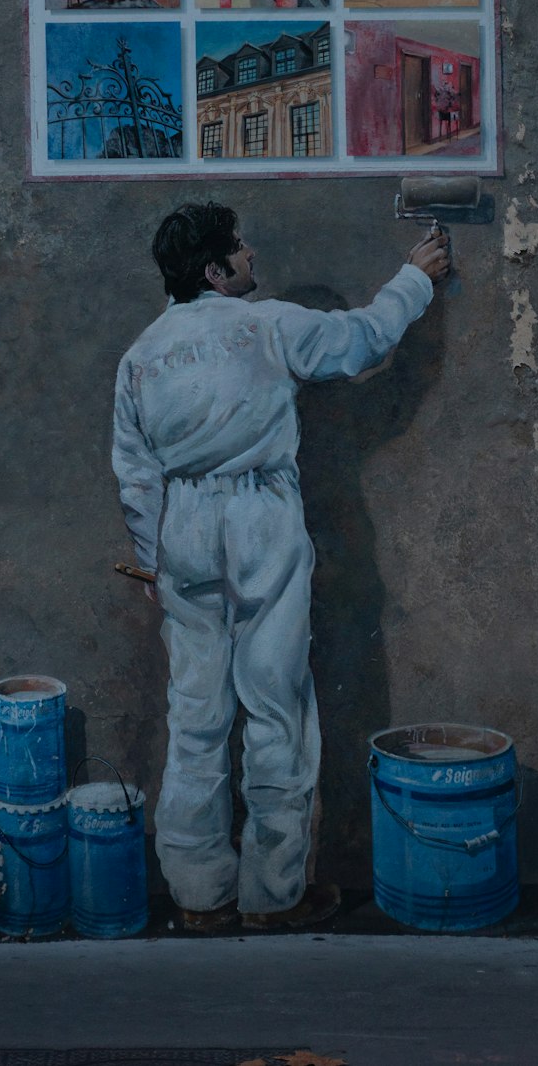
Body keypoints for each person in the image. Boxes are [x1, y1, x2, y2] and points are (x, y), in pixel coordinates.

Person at [112, 201, 449, 931]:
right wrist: (414, 281)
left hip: (183, 530)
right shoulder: (268, 325)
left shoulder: (140, 357)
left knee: (197, 717)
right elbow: (361, 340)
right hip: (261, 519)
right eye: (238, 247)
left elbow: (136, 478)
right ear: (213, 270)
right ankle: (273, 892)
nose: (251, 254)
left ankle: (199, 894)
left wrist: (152, 565)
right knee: (276, 708)